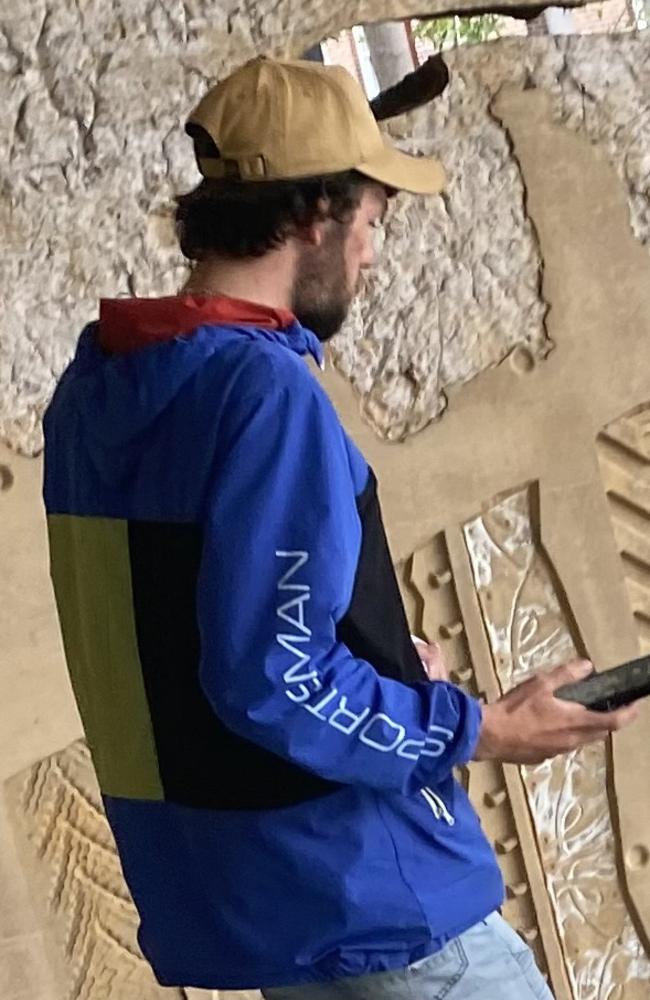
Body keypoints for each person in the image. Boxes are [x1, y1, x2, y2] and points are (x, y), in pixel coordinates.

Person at [43, 56, 637, 999]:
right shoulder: (264, 394)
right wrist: (476, 725)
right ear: (316, 217)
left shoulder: (95, 392)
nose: (371, 254)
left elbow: (172, 633)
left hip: (256, 912)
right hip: (371, 905)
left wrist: (385, 666)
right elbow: (269, 678)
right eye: (372, 221)